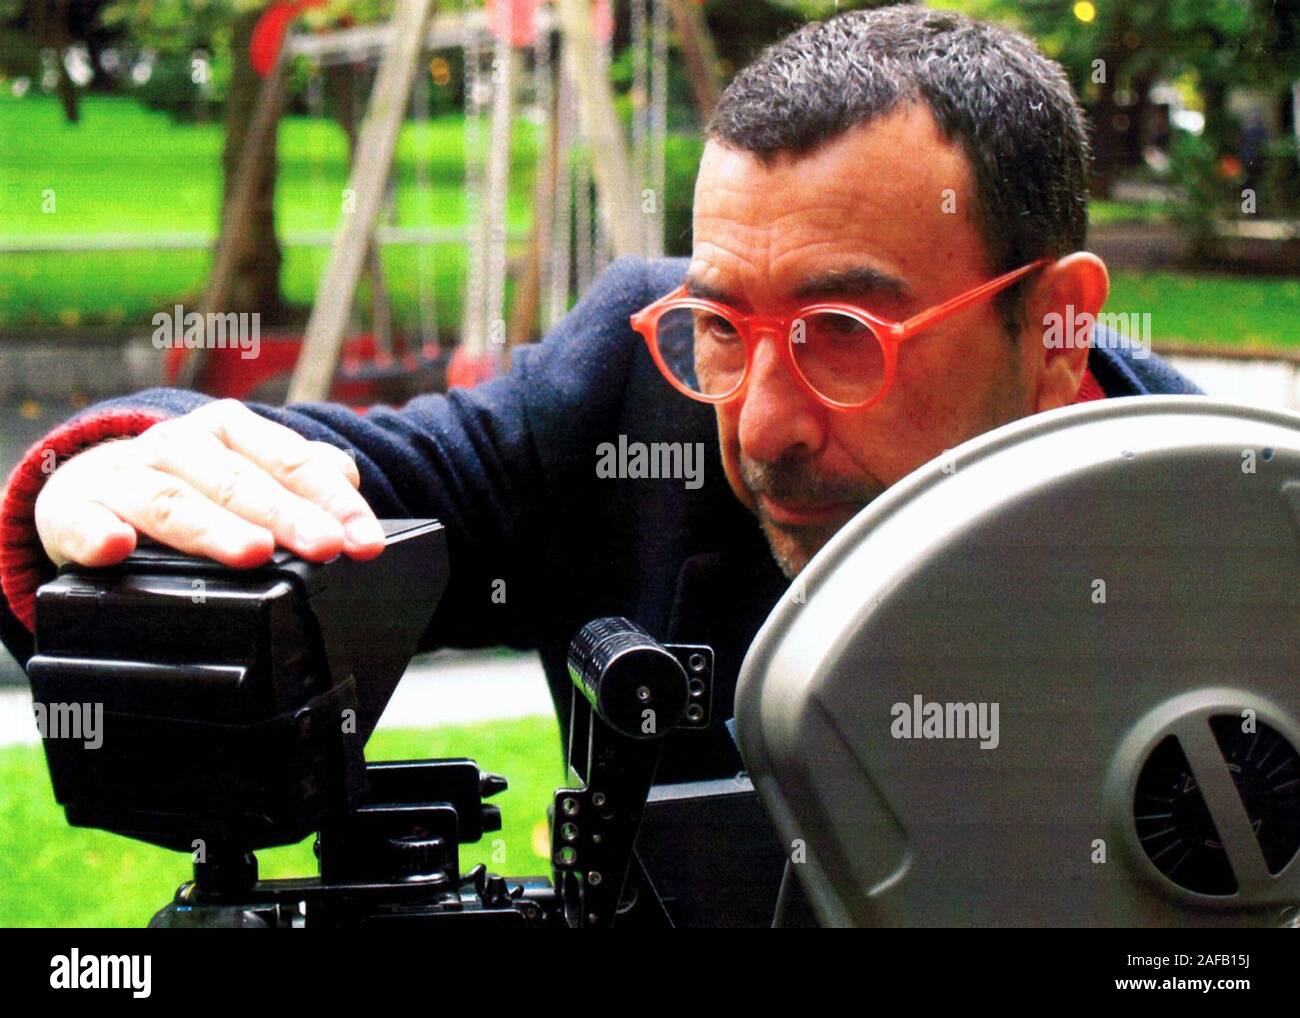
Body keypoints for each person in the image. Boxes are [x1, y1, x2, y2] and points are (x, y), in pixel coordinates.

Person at [0, 6, 1199, 783]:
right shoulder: (626, 391)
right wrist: (108, 471)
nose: (762, 425)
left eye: (843, 332)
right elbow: (352, 481)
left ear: (1055, 322)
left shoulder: (1236, 542)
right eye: (723, 326)